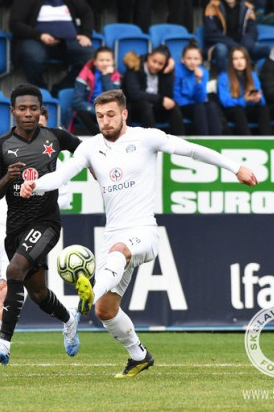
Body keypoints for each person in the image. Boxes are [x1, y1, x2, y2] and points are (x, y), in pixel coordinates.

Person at [20, 89, 258, 377]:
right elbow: (62, 174)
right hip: (114, 234)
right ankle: (139, 354)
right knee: (106, 311)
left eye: (110, 115)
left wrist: (236, 167)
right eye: (99, 116)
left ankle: (84, 299)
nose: (105, 121)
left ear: (124, 114)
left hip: (143, 232)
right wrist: (36, 185)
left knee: (118, 254)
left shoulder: (146, 138)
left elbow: (192, 149)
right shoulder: (90, 147)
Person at [0, 84, 82, 365]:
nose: (28, 113)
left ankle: (4, 343)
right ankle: (69, 318)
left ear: (40, 111)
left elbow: (86, 151)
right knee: (38, 293)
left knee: (13, 270)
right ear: (12, 112)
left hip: (46, 222)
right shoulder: (0, 146)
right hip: (15, 227)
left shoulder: (55, 137)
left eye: (33, 108)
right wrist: (6, 180)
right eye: (22, 109)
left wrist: (99, 172)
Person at [9, 0, 94, 90]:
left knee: (92, 57)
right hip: (36, 40)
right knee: (32, 55)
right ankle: (41, 91)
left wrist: (86, 34)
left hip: (67, 42)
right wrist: (40, 35)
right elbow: (15, 23)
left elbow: (86, 11)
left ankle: (62, 89)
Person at [204, 0, 270, 73]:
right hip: (222, 45)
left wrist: (243, 47)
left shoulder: (248, 8)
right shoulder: (212, 7)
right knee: (221, 49)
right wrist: (234, 46)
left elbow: (253, 32)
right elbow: (211, 34)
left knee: (270, 50)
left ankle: (261, 79)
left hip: (244, 46)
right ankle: (225, 78)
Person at [122, 46, 184, 135]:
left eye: (160, 64)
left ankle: (180, 142)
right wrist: (160, 99)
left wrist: (168, 73)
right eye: (154, 61)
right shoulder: (135, 66)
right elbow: (134, 94)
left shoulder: (164, 72)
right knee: (145, 105)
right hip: (135, 110)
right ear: (149, 57)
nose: (156, 66)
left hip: (154, 110)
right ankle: (153, 140)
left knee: (173, 106)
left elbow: (168, 96)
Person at [217, 45, 272, 135]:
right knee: (239, 110)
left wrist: (258, 100)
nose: (239, 62)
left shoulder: (253, 75)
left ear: (247, 60)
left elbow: (262, 100)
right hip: (231, 111)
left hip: (248, 108)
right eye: (235, 59)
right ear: (231, 62)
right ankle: (247, 140)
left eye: (242, 58)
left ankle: (268, 140)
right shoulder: (224, 77)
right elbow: (225, 102)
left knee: (263, 109)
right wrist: (243, 100)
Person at [173, 38, 223, 135]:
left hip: (197, 105)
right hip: (182, 106)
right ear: (182, 59)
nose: (192, 62)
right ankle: (204, 140)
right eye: (189, 58)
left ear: (200, 60)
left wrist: (198, 81)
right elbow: (176, 98)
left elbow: (201, 98)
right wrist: (194, 102)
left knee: (211, 106)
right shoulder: (177, 70)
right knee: (199, 107)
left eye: (196, 59)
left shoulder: (203, 72)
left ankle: (217, 139)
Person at [72, 46, 121, 135]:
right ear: (95, 62)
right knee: (81, 113)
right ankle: (100, 137)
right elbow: (77, 101)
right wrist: (96, 110)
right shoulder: (84, 74)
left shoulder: (115, 76)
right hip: (90, 110)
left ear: (113, 62)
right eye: (101, 60)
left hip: (109, 111)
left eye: (108, 60)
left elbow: (115, 98)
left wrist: (105, 76)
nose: (105, 63)